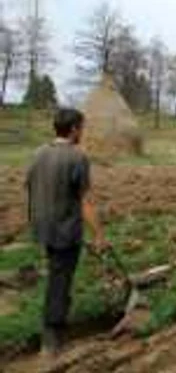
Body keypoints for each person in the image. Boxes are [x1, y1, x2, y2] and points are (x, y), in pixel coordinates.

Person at [25, 108, 110, 358]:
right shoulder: (77, 157)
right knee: (60, 281)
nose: (83, 132)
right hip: (65, 230)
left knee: (56, 273)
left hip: (43, 227)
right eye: (82, 128)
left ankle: (57, 323)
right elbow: (84, 201)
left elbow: (30, 186)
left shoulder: (38, 153)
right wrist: (99, 235)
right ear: (73, 129)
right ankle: (52, 337)